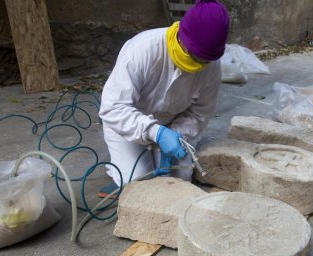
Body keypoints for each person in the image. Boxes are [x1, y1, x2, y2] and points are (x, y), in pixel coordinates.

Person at [98, 0, 229, 195]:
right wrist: (155, 132)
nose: (199, 64)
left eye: (205, 60)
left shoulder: (212, 69)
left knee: (179, 178)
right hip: (127, 122)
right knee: (138, 182)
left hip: (172, 129)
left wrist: (175, 134)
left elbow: (199, 114)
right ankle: (120, 172)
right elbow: (113, 108)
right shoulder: (141, 50)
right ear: (182, 35)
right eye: (195, 55)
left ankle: (150, 158)